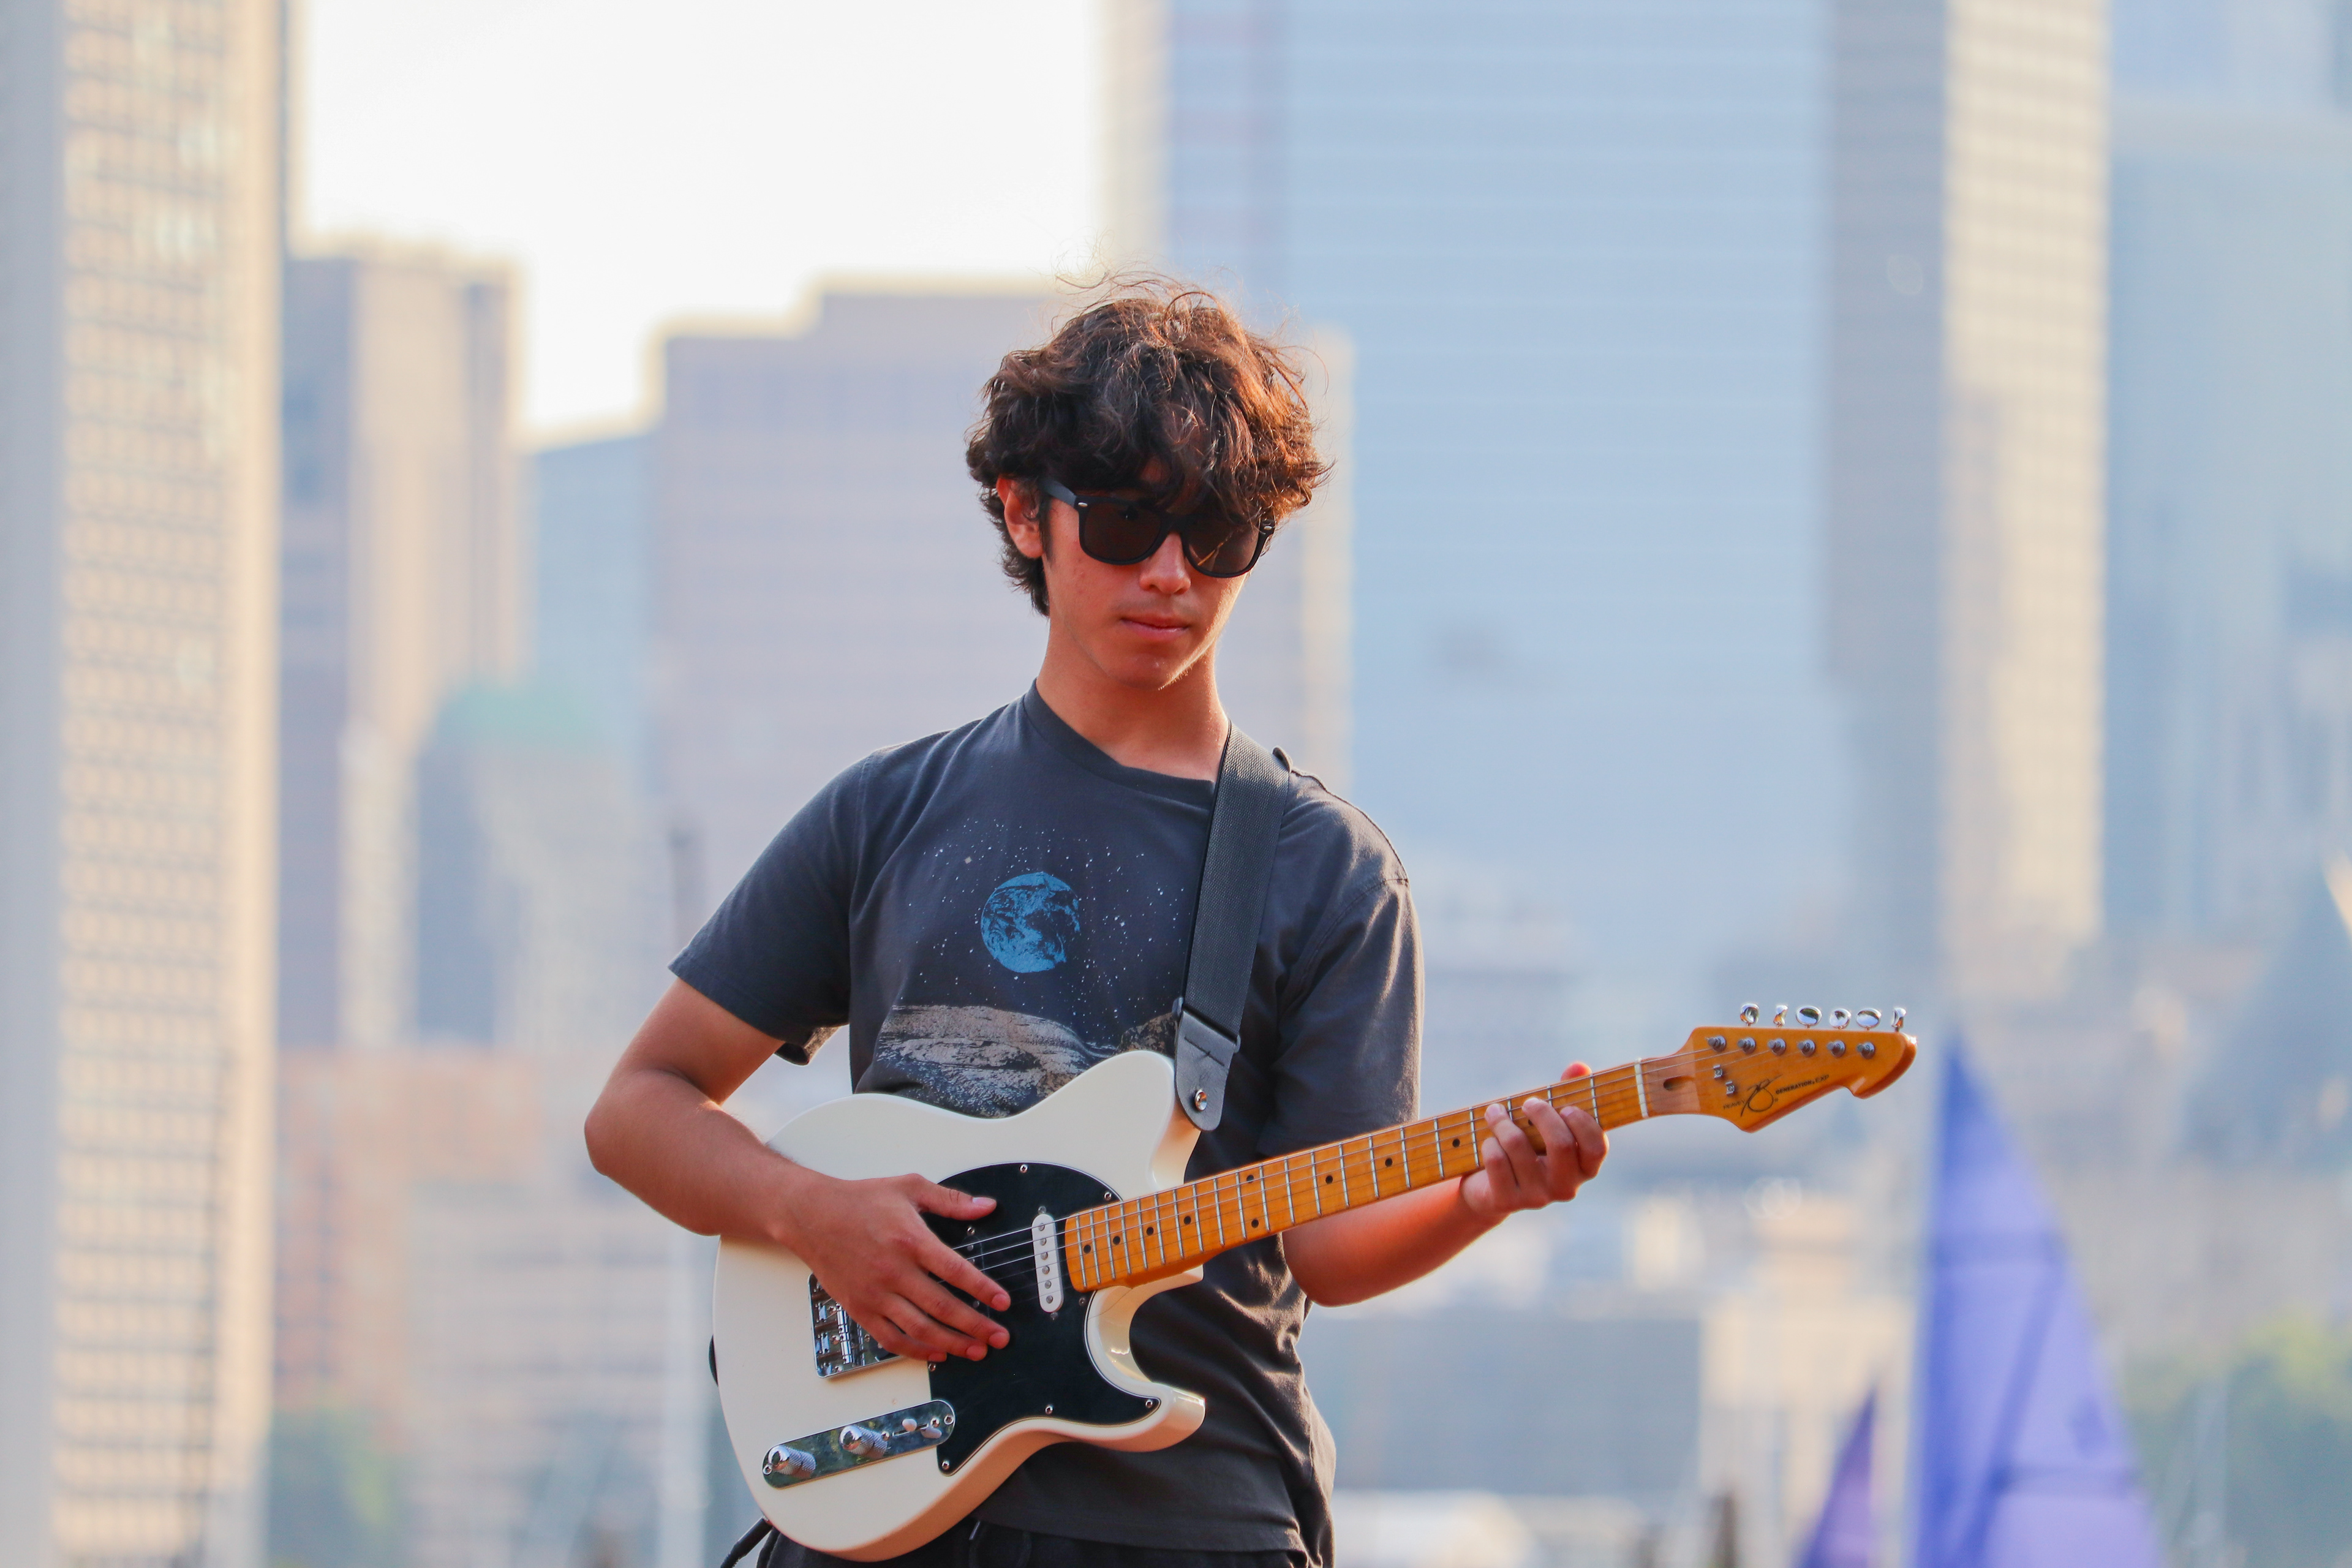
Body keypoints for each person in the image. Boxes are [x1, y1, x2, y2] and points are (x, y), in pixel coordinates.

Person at [584, 282, 1608, 1568]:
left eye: (1218, 532)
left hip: (1189, 1521)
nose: (1172, 573)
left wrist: (1484, 1194)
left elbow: (1331, 1248)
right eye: (1127, 520)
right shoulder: (886, 811)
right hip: (882, 1498)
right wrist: (809, 1212)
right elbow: (637, 1108)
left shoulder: (1328, 869)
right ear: (1027, 511)